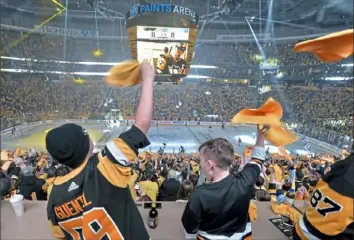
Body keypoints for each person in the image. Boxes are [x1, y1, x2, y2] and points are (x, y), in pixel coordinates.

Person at [45, 63, 155, 240]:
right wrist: (148, 79)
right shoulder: (105, 165)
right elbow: (141, 126)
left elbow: (60, 236)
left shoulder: (54, 197)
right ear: (83, 145)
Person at [182, 129, 266, 240]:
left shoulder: (198, 195)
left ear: (209, 164)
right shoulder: (245, 181)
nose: (200, 165)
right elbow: (258, 159)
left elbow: (190, 229)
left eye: (201, 160)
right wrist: (261, 133)